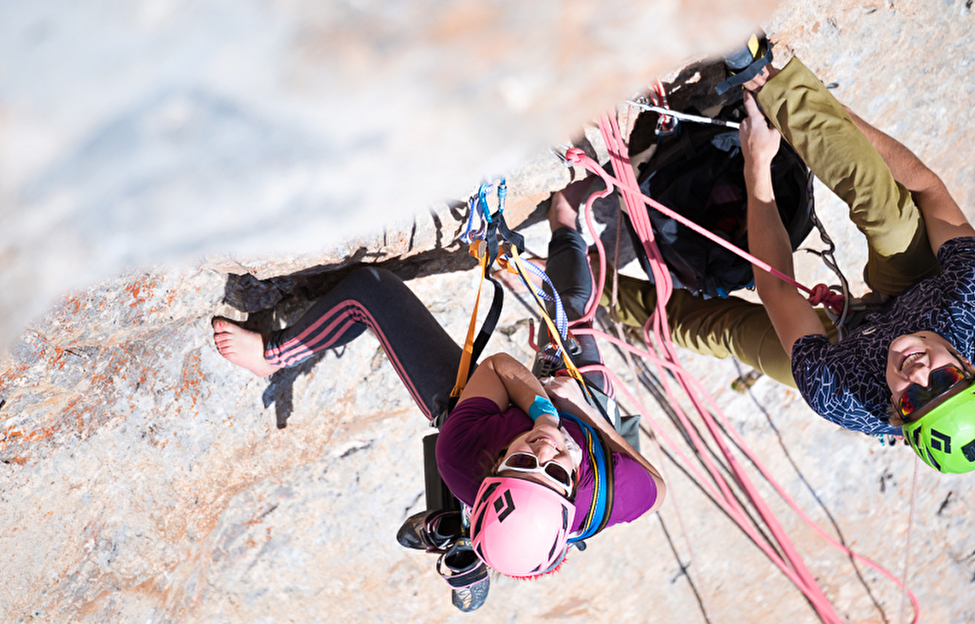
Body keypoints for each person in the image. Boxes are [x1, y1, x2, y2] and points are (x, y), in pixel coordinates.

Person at [212, 183, 666, 585]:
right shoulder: (615, 491)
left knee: (372, 289)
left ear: (496, 464)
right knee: (571, 306)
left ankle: (274, 355)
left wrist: (545, 413)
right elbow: (657, 487)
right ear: (572, 493)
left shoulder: (463, 458)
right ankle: (564, 219)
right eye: (556, 470)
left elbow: (497, 369)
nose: (546, 451)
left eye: (525, 459)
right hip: (576, 412)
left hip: (496, 414)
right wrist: (571, 412)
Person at [604, 44, 975, 474]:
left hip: (853, 347)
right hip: (921, 287)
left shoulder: (840, 393)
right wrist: (797, 102)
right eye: (945, 381)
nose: (918, 374)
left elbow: (776, 288)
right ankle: (761, 77)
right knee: (890, 217)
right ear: (968, 365)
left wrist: (757, 165)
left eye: (913, 400)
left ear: (895, 416)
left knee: (726, 330)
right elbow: (927, 188)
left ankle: (590, 289)